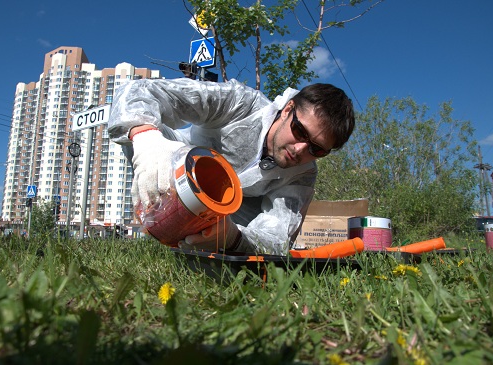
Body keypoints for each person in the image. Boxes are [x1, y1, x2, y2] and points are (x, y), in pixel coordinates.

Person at [108, 78, 355, 255]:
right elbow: (136, 90)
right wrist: (146, 138)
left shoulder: (302, 174)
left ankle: (200, 241)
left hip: (235, 214)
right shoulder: (241, 104)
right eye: (300, 131)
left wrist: (232, 238)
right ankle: (163, 220)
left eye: (317, 149)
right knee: (142, 127)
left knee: (256, 248)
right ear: (288, 109)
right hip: (180, 164)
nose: (300, 150)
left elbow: (278, 238)